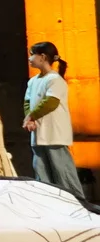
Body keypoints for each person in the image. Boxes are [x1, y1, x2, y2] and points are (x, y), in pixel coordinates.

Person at [23, 41, 85, 199]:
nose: (29, 58)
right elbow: (27, 101)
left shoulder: (55, 79)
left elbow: (51, 102)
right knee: (42, 172)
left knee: (62, 170)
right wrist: (30, 119)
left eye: (32, 55)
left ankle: (75, 201)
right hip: (38, 133)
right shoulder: (33, 81)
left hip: (54, 132)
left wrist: (31, 116)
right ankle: (48, 202)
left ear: (43, 57)